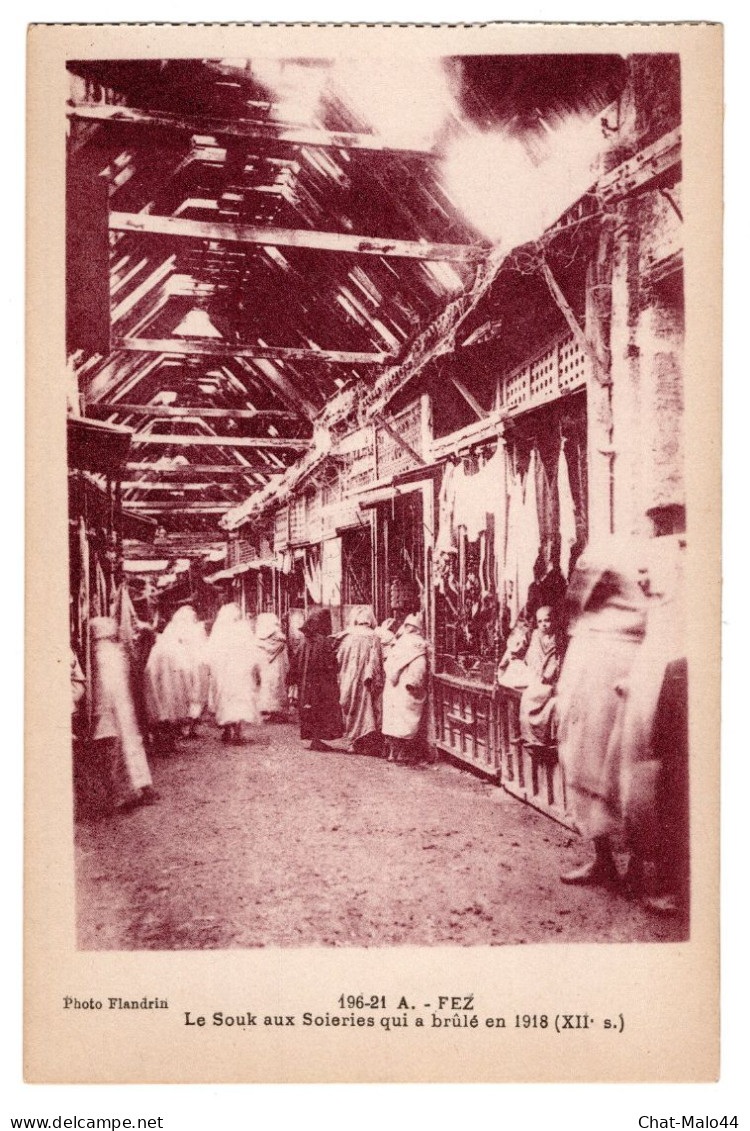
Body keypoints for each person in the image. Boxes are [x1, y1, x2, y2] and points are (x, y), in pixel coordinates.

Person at [555, 541, 647, 886]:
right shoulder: (589, 628)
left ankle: (638, 867)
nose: (581, 585)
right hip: (588, 711)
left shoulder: (632, 624)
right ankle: (603, 860)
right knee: (585, 769)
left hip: (621, 701)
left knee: (629, 777)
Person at [89, 617, 158, 814]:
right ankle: (127, 793)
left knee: (122, 751)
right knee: (121, 751)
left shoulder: (103, 653)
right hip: (116, 711)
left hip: (116, 711)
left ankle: (133, 791)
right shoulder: (108, 654)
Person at [206, 602, 260, 744]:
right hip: (239, 673)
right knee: (239, 700)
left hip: (224, 674)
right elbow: (251, 651)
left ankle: (228, 729)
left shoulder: (220, 631)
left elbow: (211, 654)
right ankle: (236, 731)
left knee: (226, 699)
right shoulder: (242, 629)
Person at [143, 607, 196, 752]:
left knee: (163, 707)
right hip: (171, 674)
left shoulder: (162, 642)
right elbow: (185, 664)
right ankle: (168, 741)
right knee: (170, 706)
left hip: (162, 674)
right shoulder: (178, 640)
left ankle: (164, 741)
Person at [336, 605, 385, 756]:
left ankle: (352, 741)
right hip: (365, 679)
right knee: (366, 710)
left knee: (350, 705)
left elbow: (338, 658)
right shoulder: (374, 637)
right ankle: (363, 742)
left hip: (348, 677)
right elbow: (377, 661)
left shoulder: (346, 636)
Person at [382, 611, 429, 764]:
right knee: (406, 721)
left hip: (393, 687)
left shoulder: (399, 643)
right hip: (406, 687)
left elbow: (388, 663)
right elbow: (419, 669)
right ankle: (402, 754)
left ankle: (392, 753)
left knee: (393, 720)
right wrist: (416, 684)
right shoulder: (418, 645)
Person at [298, 607, 343, 751]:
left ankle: (313, 739)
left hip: (306, 683)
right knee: (322, 709)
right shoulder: (323, 641)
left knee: (309, 709)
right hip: (321, 683)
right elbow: (330, 665)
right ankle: (317, 740)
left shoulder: (305, 640)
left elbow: (296, 662)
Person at [519, 606, 562, 747]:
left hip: (552, 680)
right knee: (526, 697)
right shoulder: (536, 636)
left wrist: (549, 673)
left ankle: (539, 737)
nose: (544, 624)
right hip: (537, 677)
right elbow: (531, 656)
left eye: (547, 620)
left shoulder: (558, 638)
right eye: (540, 621)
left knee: (535, 696)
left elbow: (557, 660)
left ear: (554, 620)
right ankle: (529, 736)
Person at [255, 612, 289, 721]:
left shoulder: (260, 639)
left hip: (267, 667)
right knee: (278, 687)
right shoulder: (280, 638)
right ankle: (278, 713)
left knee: (268, 687)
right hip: (278, 666)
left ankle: (271, 710)